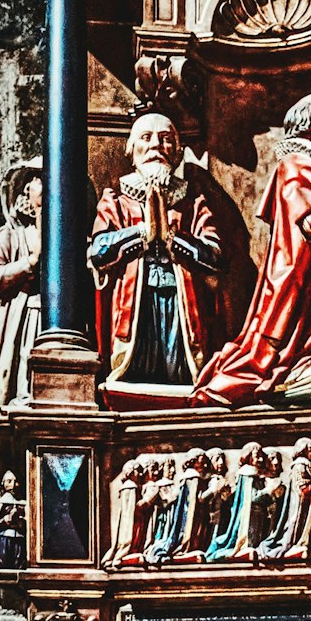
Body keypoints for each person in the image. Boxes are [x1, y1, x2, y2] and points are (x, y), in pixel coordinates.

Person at [193, 99, 311, 407]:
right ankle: (286, 373)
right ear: (310, 128)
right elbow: (310, 221)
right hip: (299, 274)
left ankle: (308, 365)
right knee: (273, 350)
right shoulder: (296, 164)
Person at [89, 111, 228, 404]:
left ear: (177, 153)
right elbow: (99, 251)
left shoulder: (192, 204)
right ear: (130, 149)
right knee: (136, 363)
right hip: (133, 303)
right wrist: (142, 231)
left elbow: (214, 255)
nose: (156, 146)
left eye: (166, 140)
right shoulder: (116, 201)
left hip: (181, 301)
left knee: (177, 362)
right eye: (146, 138)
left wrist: (171, 238)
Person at [0, 164, 42, 407]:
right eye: (41, 180)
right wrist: (29, 263)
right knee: (24, 359)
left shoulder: (75, 237)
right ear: (27, 190)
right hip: (26, 313)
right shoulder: (12, 235)